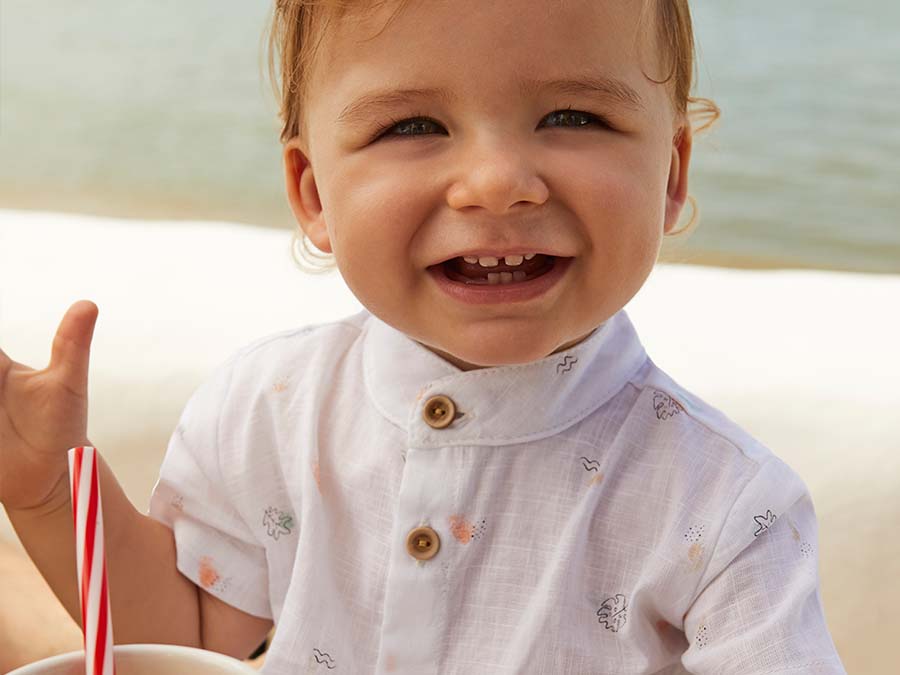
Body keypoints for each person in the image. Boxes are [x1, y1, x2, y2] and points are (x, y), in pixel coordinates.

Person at [0, 0, 847, 672]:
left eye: (573, 115)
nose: (496, 183)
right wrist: (44, 491)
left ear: (670, 173)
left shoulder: (728, 507)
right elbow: (185, 633)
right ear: (313, 194)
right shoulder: (268, 407)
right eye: (412, 127)